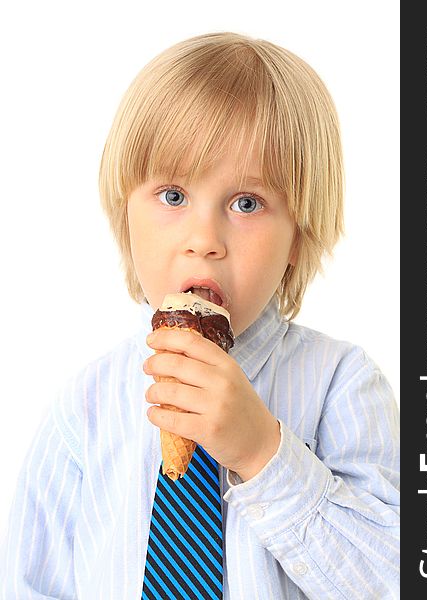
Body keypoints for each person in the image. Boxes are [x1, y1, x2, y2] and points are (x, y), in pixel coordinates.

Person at [0, 31, 399, 599]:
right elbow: (29, 584)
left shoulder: (343, 385)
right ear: (125, 213)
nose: (204, 239)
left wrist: (263, 453)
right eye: (172, 196)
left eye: (246, 204)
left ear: (298, 236)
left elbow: (393, 580)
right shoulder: (83, 410)